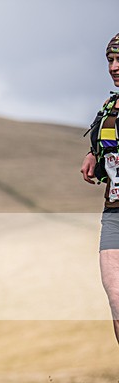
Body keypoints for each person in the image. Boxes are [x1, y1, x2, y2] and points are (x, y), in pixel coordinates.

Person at [81, 32, 119, 347]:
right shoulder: (109, 106)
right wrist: (93, 155)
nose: (114, 67)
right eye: (110, 60)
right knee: (116, 295)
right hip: (114, 213)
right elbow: (103, 146)